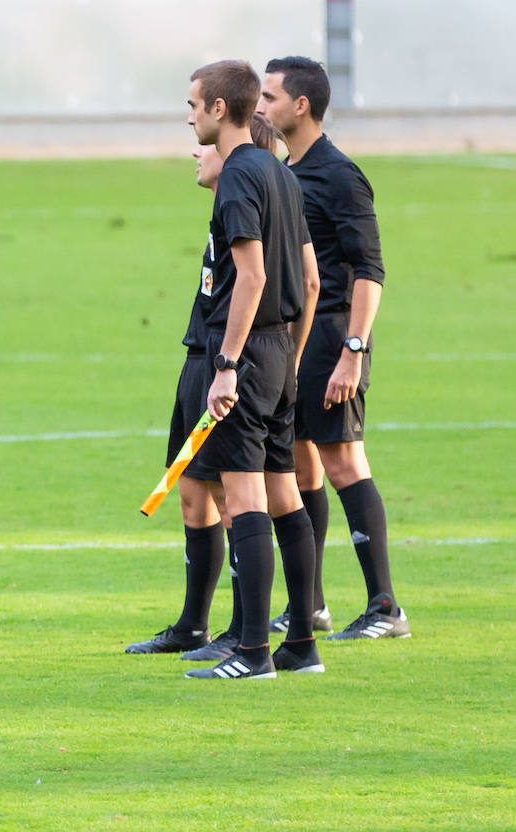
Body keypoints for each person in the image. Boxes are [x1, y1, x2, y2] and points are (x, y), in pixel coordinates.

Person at [257, 56, 410, 641]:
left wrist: (354, 349)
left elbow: (370, 269)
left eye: (271, 97)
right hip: (295, 340)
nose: (262, 106)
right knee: (300, 463)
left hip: (334, 336)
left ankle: (386, 607)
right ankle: (312, 603)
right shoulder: (284, 168)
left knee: (344, 460)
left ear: (301, 106)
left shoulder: (340, 175)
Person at [179, 60, 322, 680]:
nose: (189, 117)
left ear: (219, 109)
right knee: (285, 495)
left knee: (244, 497)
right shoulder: (279, 171)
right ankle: (300, 646)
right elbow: (307, 279)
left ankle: (253, 653)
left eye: (193, 105)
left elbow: (255, 276)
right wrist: (281, 359)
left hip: (245, 352)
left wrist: (229, 365)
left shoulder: (239, 175)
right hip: (279, 352)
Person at [126, 114, 283, 662]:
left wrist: (231, 362)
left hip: (230, 359)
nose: (197, 150)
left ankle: (248, 636)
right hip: (203, 356)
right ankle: (196, 625)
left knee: (235, 497)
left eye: (203, 141)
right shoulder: (229, 202)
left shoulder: (248, 185)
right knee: (194, 494)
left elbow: (280, 280)